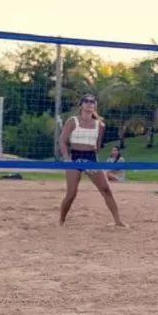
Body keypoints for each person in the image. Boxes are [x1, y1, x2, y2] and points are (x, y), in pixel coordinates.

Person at [58, 94, 126, 227]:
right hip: (75, 158)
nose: (89, 104)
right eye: (86, 101)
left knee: (106, 190)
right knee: (71, 194)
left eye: (92, 102)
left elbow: (98, 145)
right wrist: (67, 159)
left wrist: (93, 160)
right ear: (81, 104)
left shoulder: (99, 124)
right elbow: (62, 141)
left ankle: (118, 221)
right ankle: (61, 220)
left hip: (91, 158)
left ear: (95, 105)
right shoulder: (73, 121)